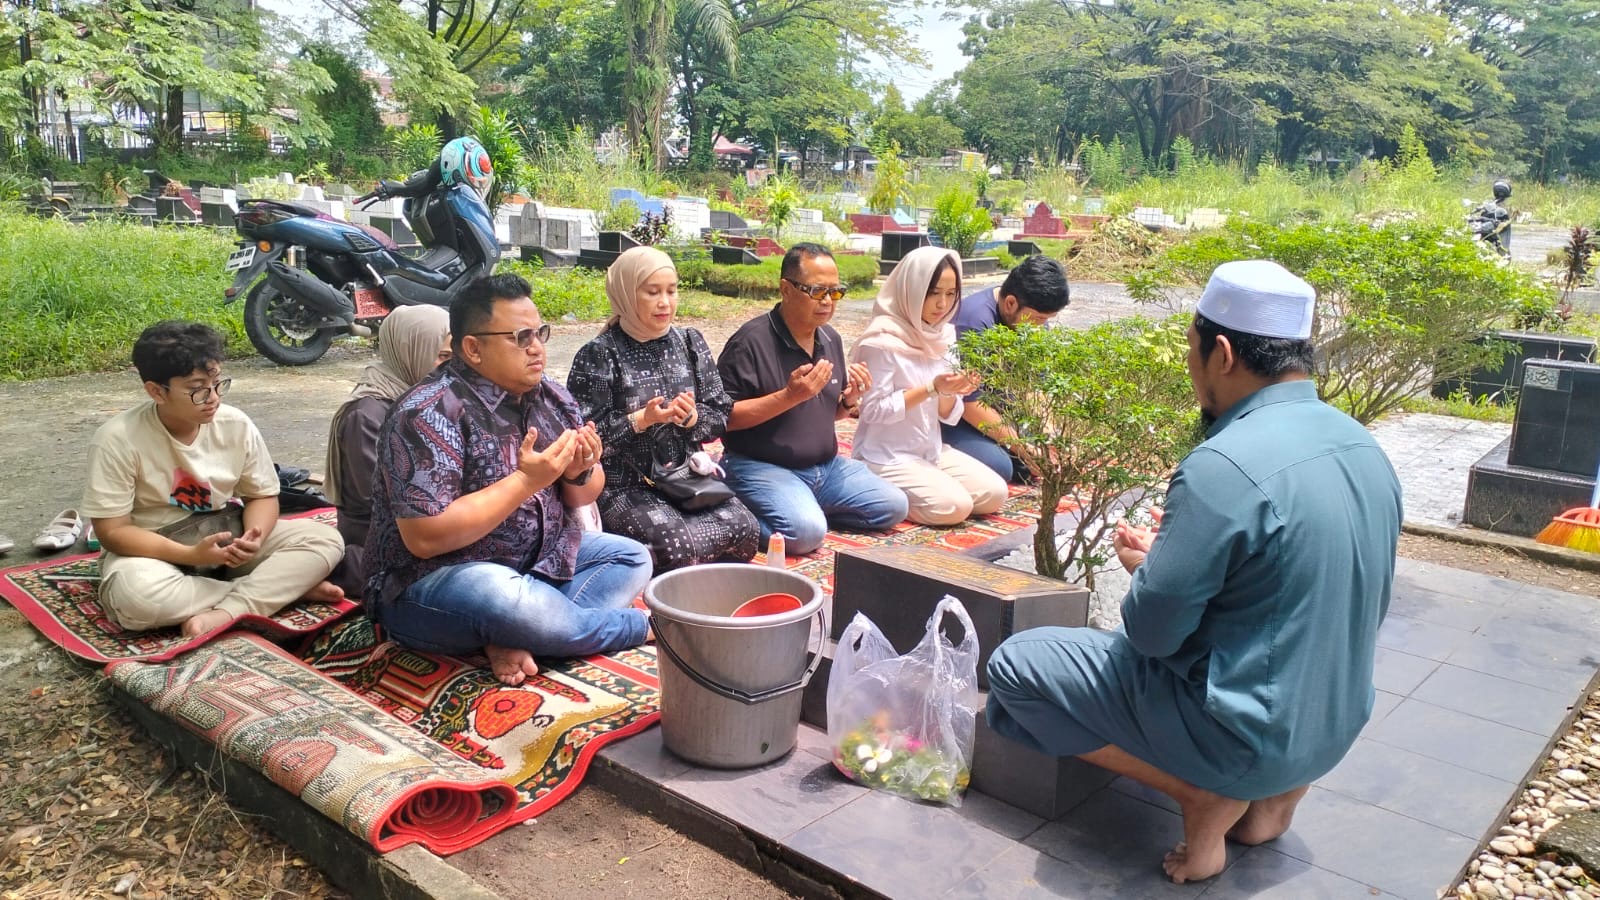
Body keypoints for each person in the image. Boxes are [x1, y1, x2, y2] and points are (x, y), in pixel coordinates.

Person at [984, 260, 1403, 883]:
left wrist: (1147, 571)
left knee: (1017, 669)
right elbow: (1294, 584)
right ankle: (1275, 800)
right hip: (1334, 724)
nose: (1190, 367)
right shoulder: (1362, 445)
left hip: (1243, 737)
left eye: (1192, 349)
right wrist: (1175, 556)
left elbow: (1152, 636)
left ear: (1223, 353)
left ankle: (1200, 794)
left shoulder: (1223, 465)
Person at [364, 273, 652, 686]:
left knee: (630, 557)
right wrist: (524, 482)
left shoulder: (552, 395)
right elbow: (426, 537)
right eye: (520, 337)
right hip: (434, 582)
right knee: (499, 595)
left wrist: (579, 470)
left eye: (540, 333)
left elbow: (586, 494)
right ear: (473, 348)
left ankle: (523, 633)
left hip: (533, 565)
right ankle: (632, 628)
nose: (537, 348)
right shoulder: (427, 412)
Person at [81, 321, 345, 637]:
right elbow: (113, 531)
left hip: (225, 534)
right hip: (153, 550)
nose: (213, 398)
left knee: (326, 539)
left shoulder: (235, 424)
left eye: (218, 383)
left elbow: (261, 495)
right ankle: (276, 592)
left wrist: (254, 537)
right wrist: (190, 556)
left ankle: (230, 609)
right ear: (156, 391)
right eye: (197, 390)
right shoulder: (117, 439)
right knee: (136, 598)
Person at [567, 247, 759, 571]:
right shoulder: (600, 354)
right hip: (626, 484)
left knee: (747, 530)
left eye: (672, 291)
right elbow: (585, 438)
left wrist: (693, 418)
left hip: (686, 476)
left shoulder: (689, 342)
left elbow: (720, 412)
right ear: (626, 294)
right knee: (678, 548)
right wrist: (642, 419)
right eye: (652, 292)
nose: (665, 302)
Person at [716, 243, 909, 554]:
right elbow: (722, 420)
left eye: (835, 292)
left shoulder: (829, 337)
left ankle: (802, 507)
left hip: (825, 468)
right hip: (761, 465)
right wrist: (788, 396)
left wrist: (850, 400)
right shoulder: (749, 342)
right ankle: (734, 517)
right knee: (805, 535)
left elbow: (826, 413)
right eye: (818, 291)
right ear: (786, 289)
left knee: (894, 506)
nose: (828, 302)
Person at [849, 246, 1007, 525]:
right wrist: (931, 388)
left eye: (950, 294)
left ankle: (925, 486)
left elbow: (948, 413)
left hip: (930, 449)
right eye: (933, 293)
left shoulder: (944, 334)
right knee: (955, 507)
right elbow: (872, 411)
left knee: (994, 494)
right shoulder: (881, 340)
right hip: (886, 455)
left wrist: (951, 390)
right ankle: (876, 492)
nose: (942, 305)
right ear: (912, 288)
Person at [323, 305, 451, 595]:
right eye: (442, 357)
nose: (450, 368)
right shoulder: (366, 415)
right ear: (411, 352)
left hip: (429, 520)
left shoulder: (429, 397)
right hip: (380, 533)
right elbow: (381, 500)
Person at [942, 254, 1072, 482]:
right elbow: (970, 403)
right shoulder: (973, 322)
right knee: (1001, 467)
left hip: (1002, 412)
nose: (1042, 326)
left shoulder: (1032, 323)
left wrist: (1048, 433)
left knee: (1057, 453)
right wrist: (1023, 448)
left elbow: (1034, 388)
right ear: (1010, 303)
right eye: (1038, 318)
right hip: (957, 415)